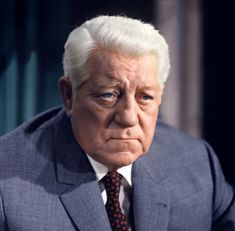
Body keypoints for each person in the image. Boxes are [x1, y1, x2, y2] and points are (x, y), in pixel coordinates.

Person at [0, 15, 234, 231]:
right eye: (109, 95)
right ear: (69, 96)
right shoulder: (7, 185)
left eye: (145, 97)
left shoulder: (194, 162)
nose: (129, 118)